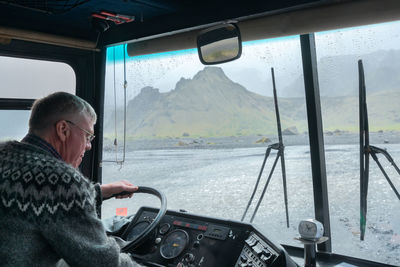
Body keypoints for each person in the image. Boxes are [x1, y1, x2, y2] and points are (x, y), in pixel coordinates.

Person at [0, 92, 141, 266]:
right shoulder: (61, 181)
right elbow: (102, 262)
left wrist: (98, 192)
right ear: (63, 130)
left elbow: (38, 198)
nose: (89, 146)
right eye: (87, 136)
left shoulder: (5, 154)